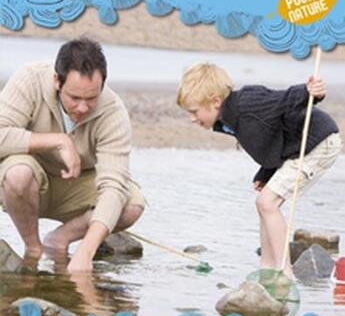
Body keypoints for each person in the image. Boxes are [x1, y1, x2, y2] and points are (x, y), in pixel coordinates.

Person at [177, 62, 342, 278]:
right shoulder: (227, 119)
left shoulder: (248, 102)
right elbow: (271, 136)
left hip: (318, 143)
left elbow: (284, 101)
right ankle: (267, 268)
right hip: (294, 148)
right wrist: (265, 173)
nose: (191, 118)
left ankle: (284, 272)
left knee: (267, 202)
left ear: (215, 101)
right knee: (264, 202)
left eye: (194, 111)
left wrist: (308, 91)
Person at [0, 38, 145, 272]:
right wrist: (59, 141)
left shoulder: (113, 111)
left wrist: (85, 252)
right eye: (74, 98)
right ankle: (33, 247)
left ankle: (57, 240)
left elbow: (114, 184)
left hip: (77, 188)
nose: (83, 108)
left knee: (131, 203)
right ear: (57, 81)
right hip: (30, 181)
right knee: (18, 174)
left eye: (91, 98)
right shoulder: (29, 78)